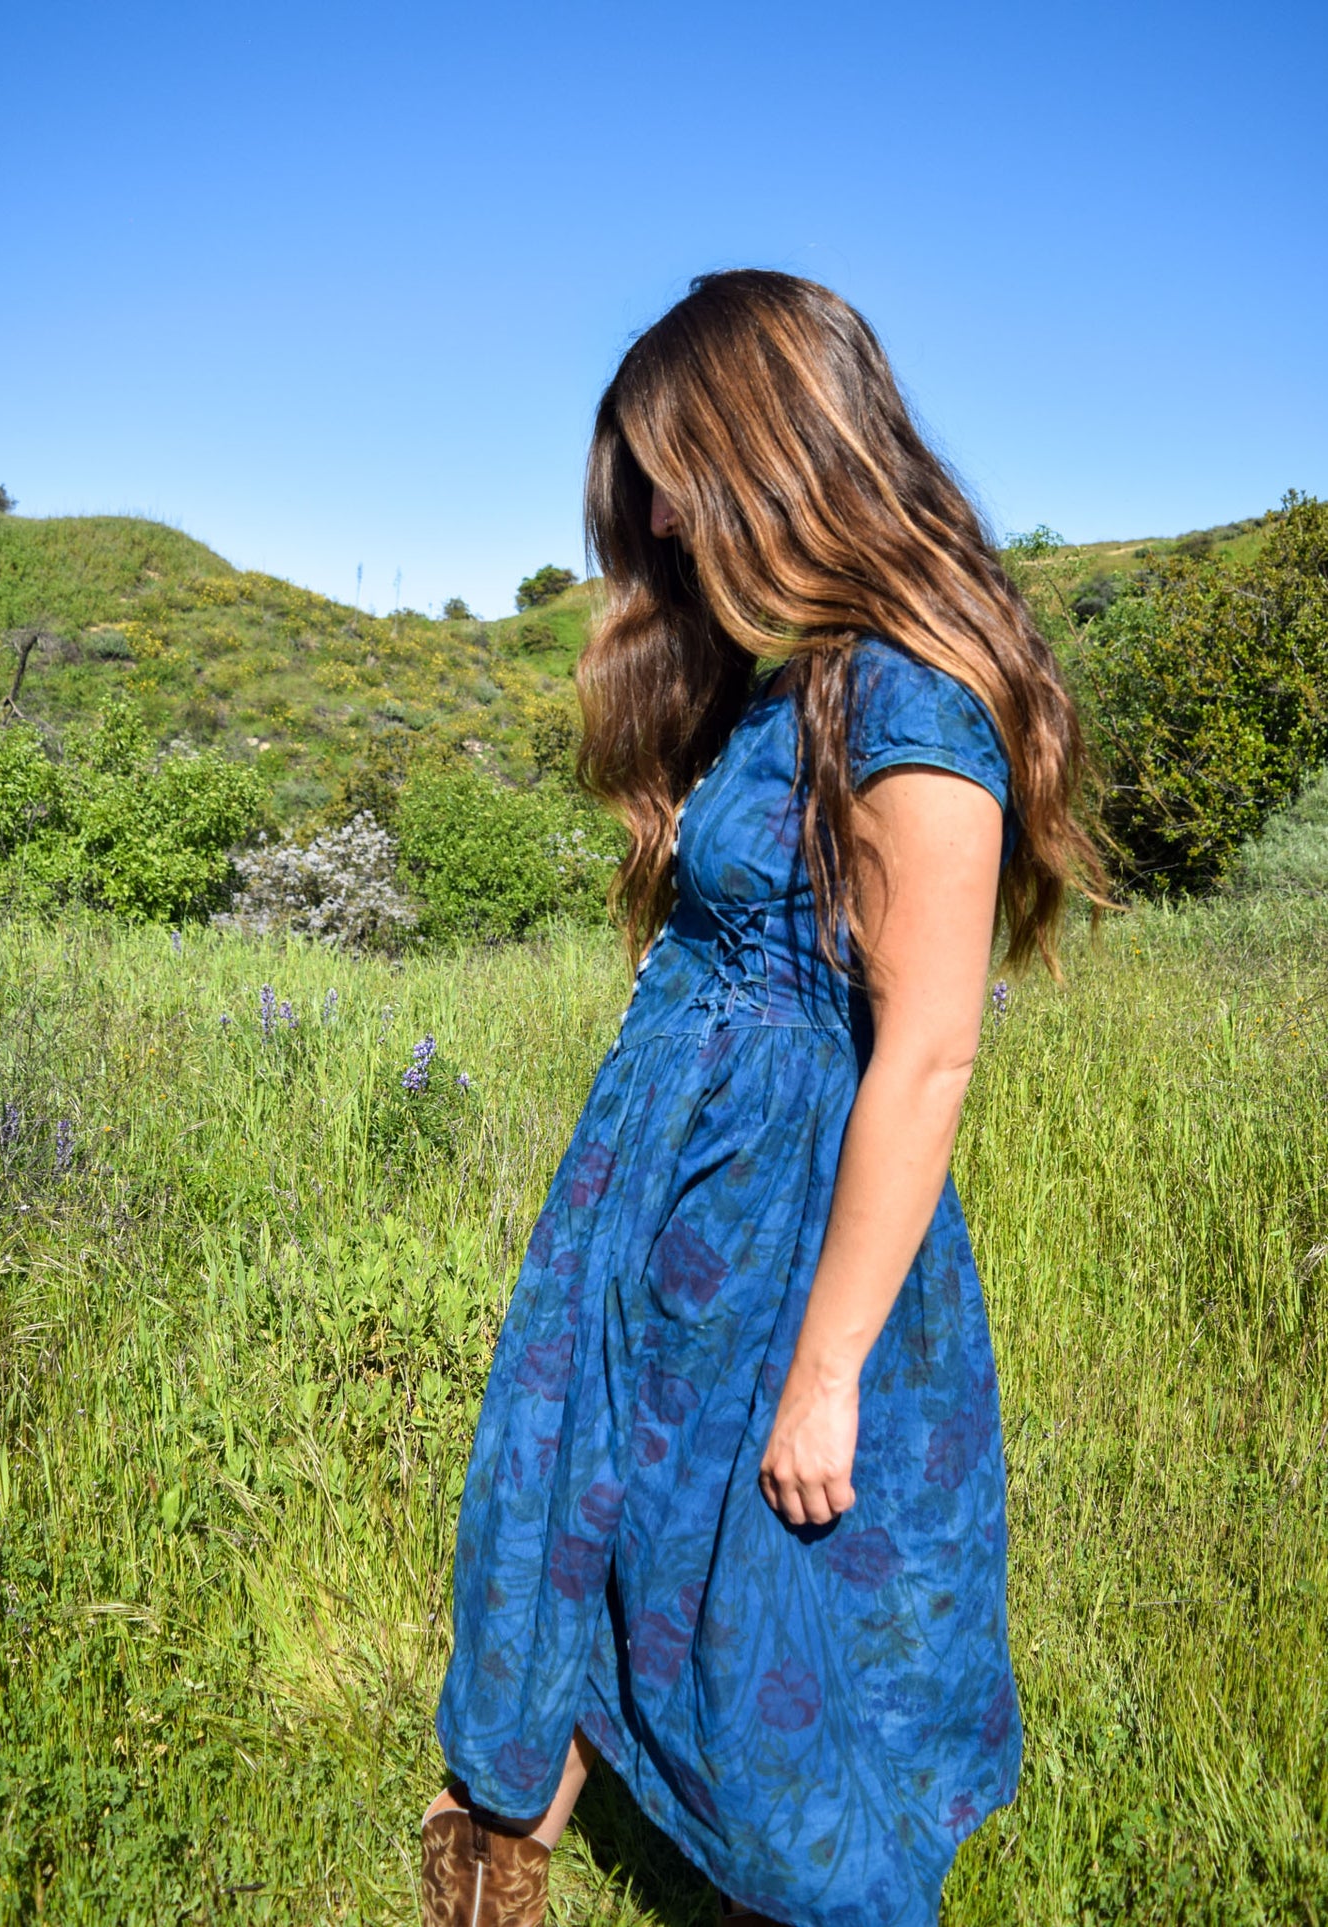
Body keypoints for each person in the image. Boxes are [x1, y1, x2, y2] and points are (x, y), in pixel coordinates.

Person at [420, 269, 1106, 1927]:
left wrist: (826, 1373)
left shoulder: (908, 701)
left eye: (672, 466)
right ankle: (511, 1816)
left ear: (774, 452)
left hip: (781, 1206)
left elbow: (928, 1050)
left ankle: (800, 1877)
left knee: (768, 1577)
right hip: (662, 1175)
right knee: (583, 1479)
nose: (652, 507)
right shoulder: (782, 677)